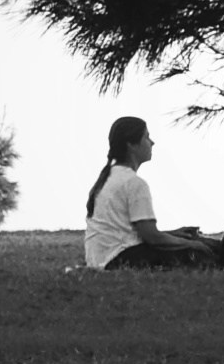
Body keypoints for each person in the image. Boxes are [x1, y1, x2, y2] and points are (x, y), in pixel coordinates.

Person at [82, 115, 213, 269]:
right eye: (146, 137)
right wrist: (191, 243)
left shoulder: (109, 178)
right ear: (131, 144)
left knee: (193, 243)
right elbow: (152, 238)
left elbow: (135, 233)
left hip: (101, 260)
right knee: (201, 252)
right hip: (121, 259)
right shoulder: (133, 183)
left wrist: (175, 234)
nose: (152, 143)